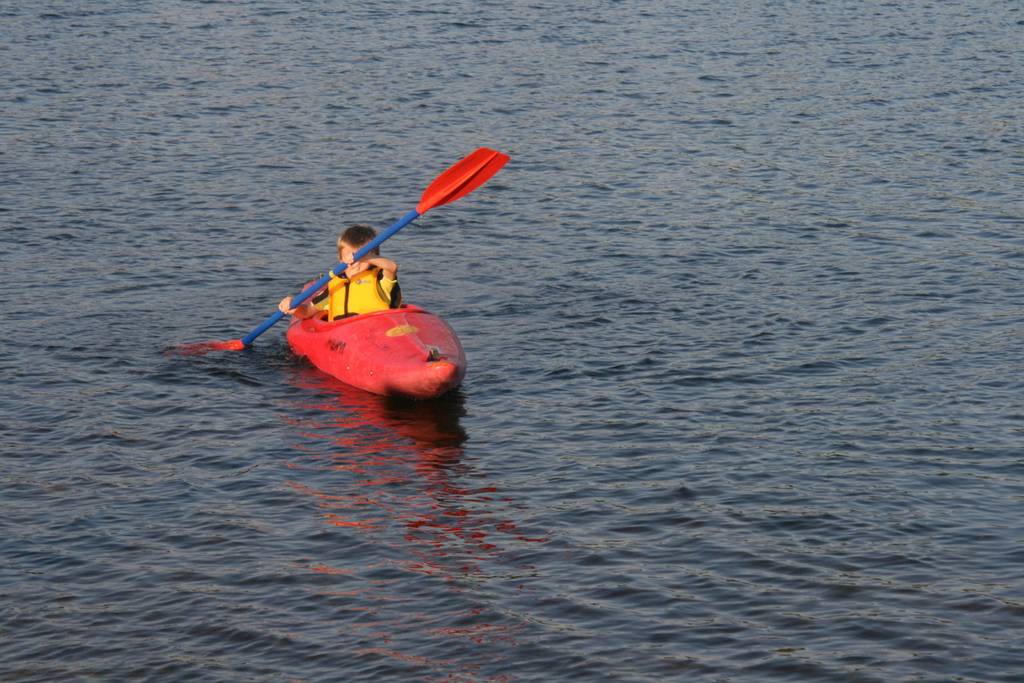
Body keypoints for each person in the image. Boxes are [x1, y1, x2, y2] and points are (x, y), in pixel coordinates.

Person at [278, 224, 401, 320]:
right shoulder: (334, 286)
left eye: (362, 258)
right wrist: (293, 307)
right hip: (344, 338)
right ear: (341, 258)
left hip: (376, 332)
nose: (355, 262)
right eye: (349, 257)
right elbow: (307, 312)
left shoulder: (381, 279)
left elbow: (392, 267)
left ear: (373, 258)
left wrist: (366, 257)